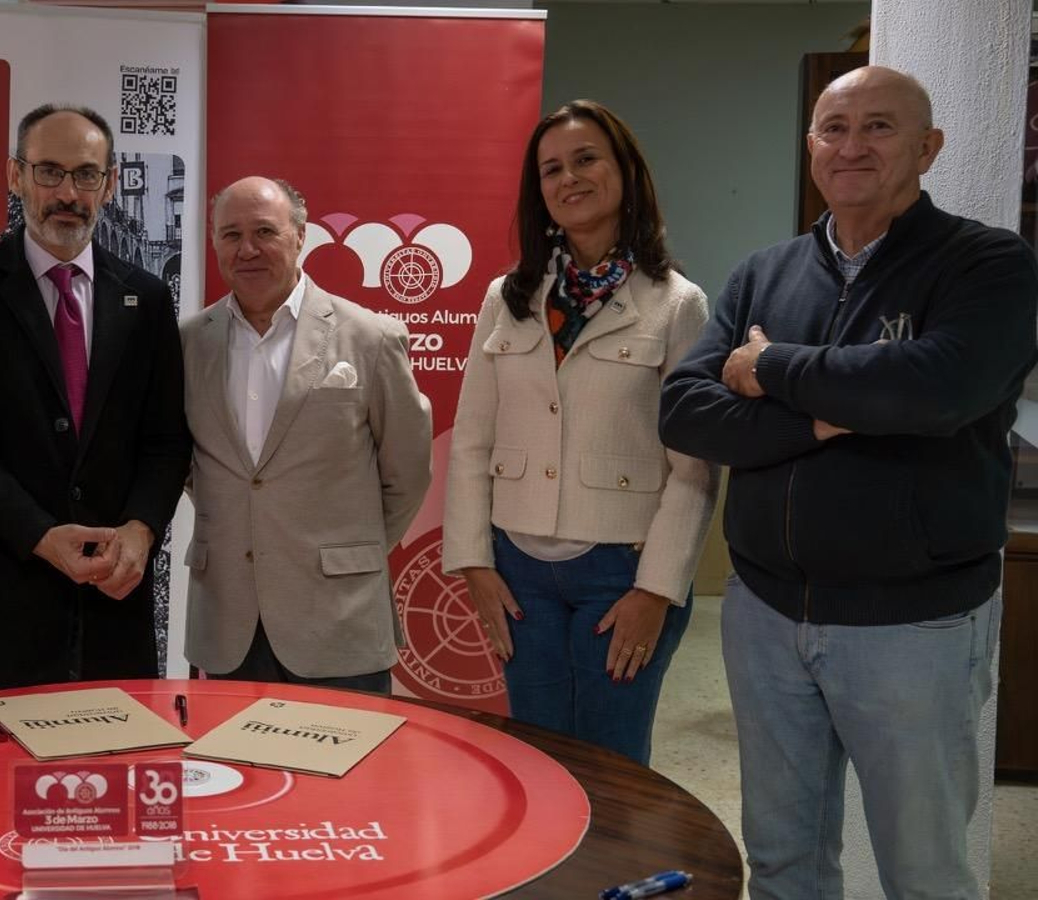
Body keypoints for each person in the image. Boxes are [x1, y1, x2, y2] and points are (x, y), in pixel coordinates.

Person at [659, 66, 1037, 898]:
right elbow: (685, 413)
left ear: (928, 147)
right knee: (784, 858)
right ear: (811, 147)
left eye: (879, 127)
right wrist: (831, 411)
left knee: (923, 868)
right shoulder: (766, 271)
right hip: (763, 614)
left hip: (913, 625)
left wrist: (770, 366)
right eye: (835, 128)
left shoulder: (987, 264)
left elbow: (938, 390)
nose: (852, 145)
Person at [443, 100, 717, 764]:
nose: (570, 178)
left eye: (587, 159)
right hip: (519, 570)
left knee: (613, 764)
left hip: (619, 573)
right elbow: (472, 439)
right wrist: (474, 561)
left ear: (625, 171)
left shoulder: (677, 304)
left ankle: (617, 876)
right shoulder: (506, 297)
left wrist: (656, 590)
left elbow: (695, 468)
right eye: (551, 169)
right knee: (538, 759)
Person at [0, 104, 190, 696]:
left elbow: (165, 441)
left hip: (112, 608)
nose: (68, 192)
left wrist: (141, 531)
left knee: (109, 778)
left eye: (86, 174)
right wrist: (41, 534)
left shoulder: (146, 297)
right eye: (49, 172)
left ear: (110, 183)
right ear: (16, 176)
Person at [182, 176, 432, 692]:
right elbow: (187, 464)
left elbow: (407, 471)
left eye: (264, 232)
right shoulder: (188, 344)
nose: (247, 249)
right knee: (236, 772)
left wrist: (345, 552)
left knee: (348, 772)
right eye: (231, 235)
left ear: (300, 236)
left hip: (339, 617)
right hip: (229, 616)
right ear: (214, 244)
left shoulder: (370, 337)